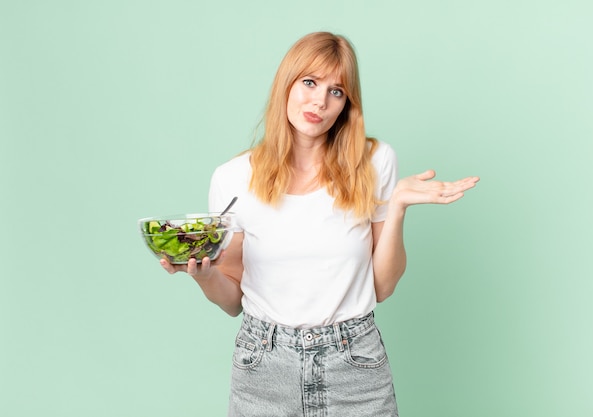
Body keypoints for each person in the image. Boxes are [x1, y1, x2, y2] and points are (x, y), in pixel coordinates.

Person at [161, 31, 479, 416]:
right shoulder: (233, 177)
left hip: (355, 364)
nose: (320, 101)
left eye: (336, 91)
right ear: (287, 84)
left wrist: (396, 207)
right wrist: (203, 274)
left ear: (347, 104)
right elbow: (232, 301)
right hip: (263, 366)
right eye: (309, 83)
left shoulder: (374, 162)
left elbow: (383, 286)